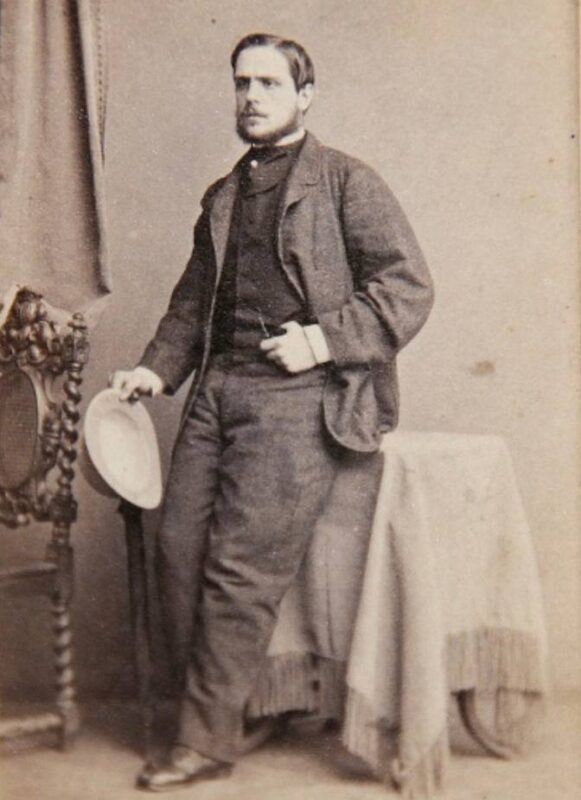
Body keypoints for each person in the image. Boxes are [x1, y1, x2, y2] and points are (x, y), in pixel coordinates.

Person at [111, 32, 434, 792]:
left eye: (269, 83)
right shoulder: (223, 196)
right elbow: (192, 302)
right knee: (177, 549)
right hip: (215, 390)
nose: (252, 97)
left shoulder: (346, 181)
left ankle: (204, 742)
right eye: (242, 83)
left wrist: (321, 341)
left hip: (297, 399)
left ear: (304, 96)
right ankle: (230, 711)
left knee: (238, 571)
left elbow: (407, 286)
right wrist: (154, 371)